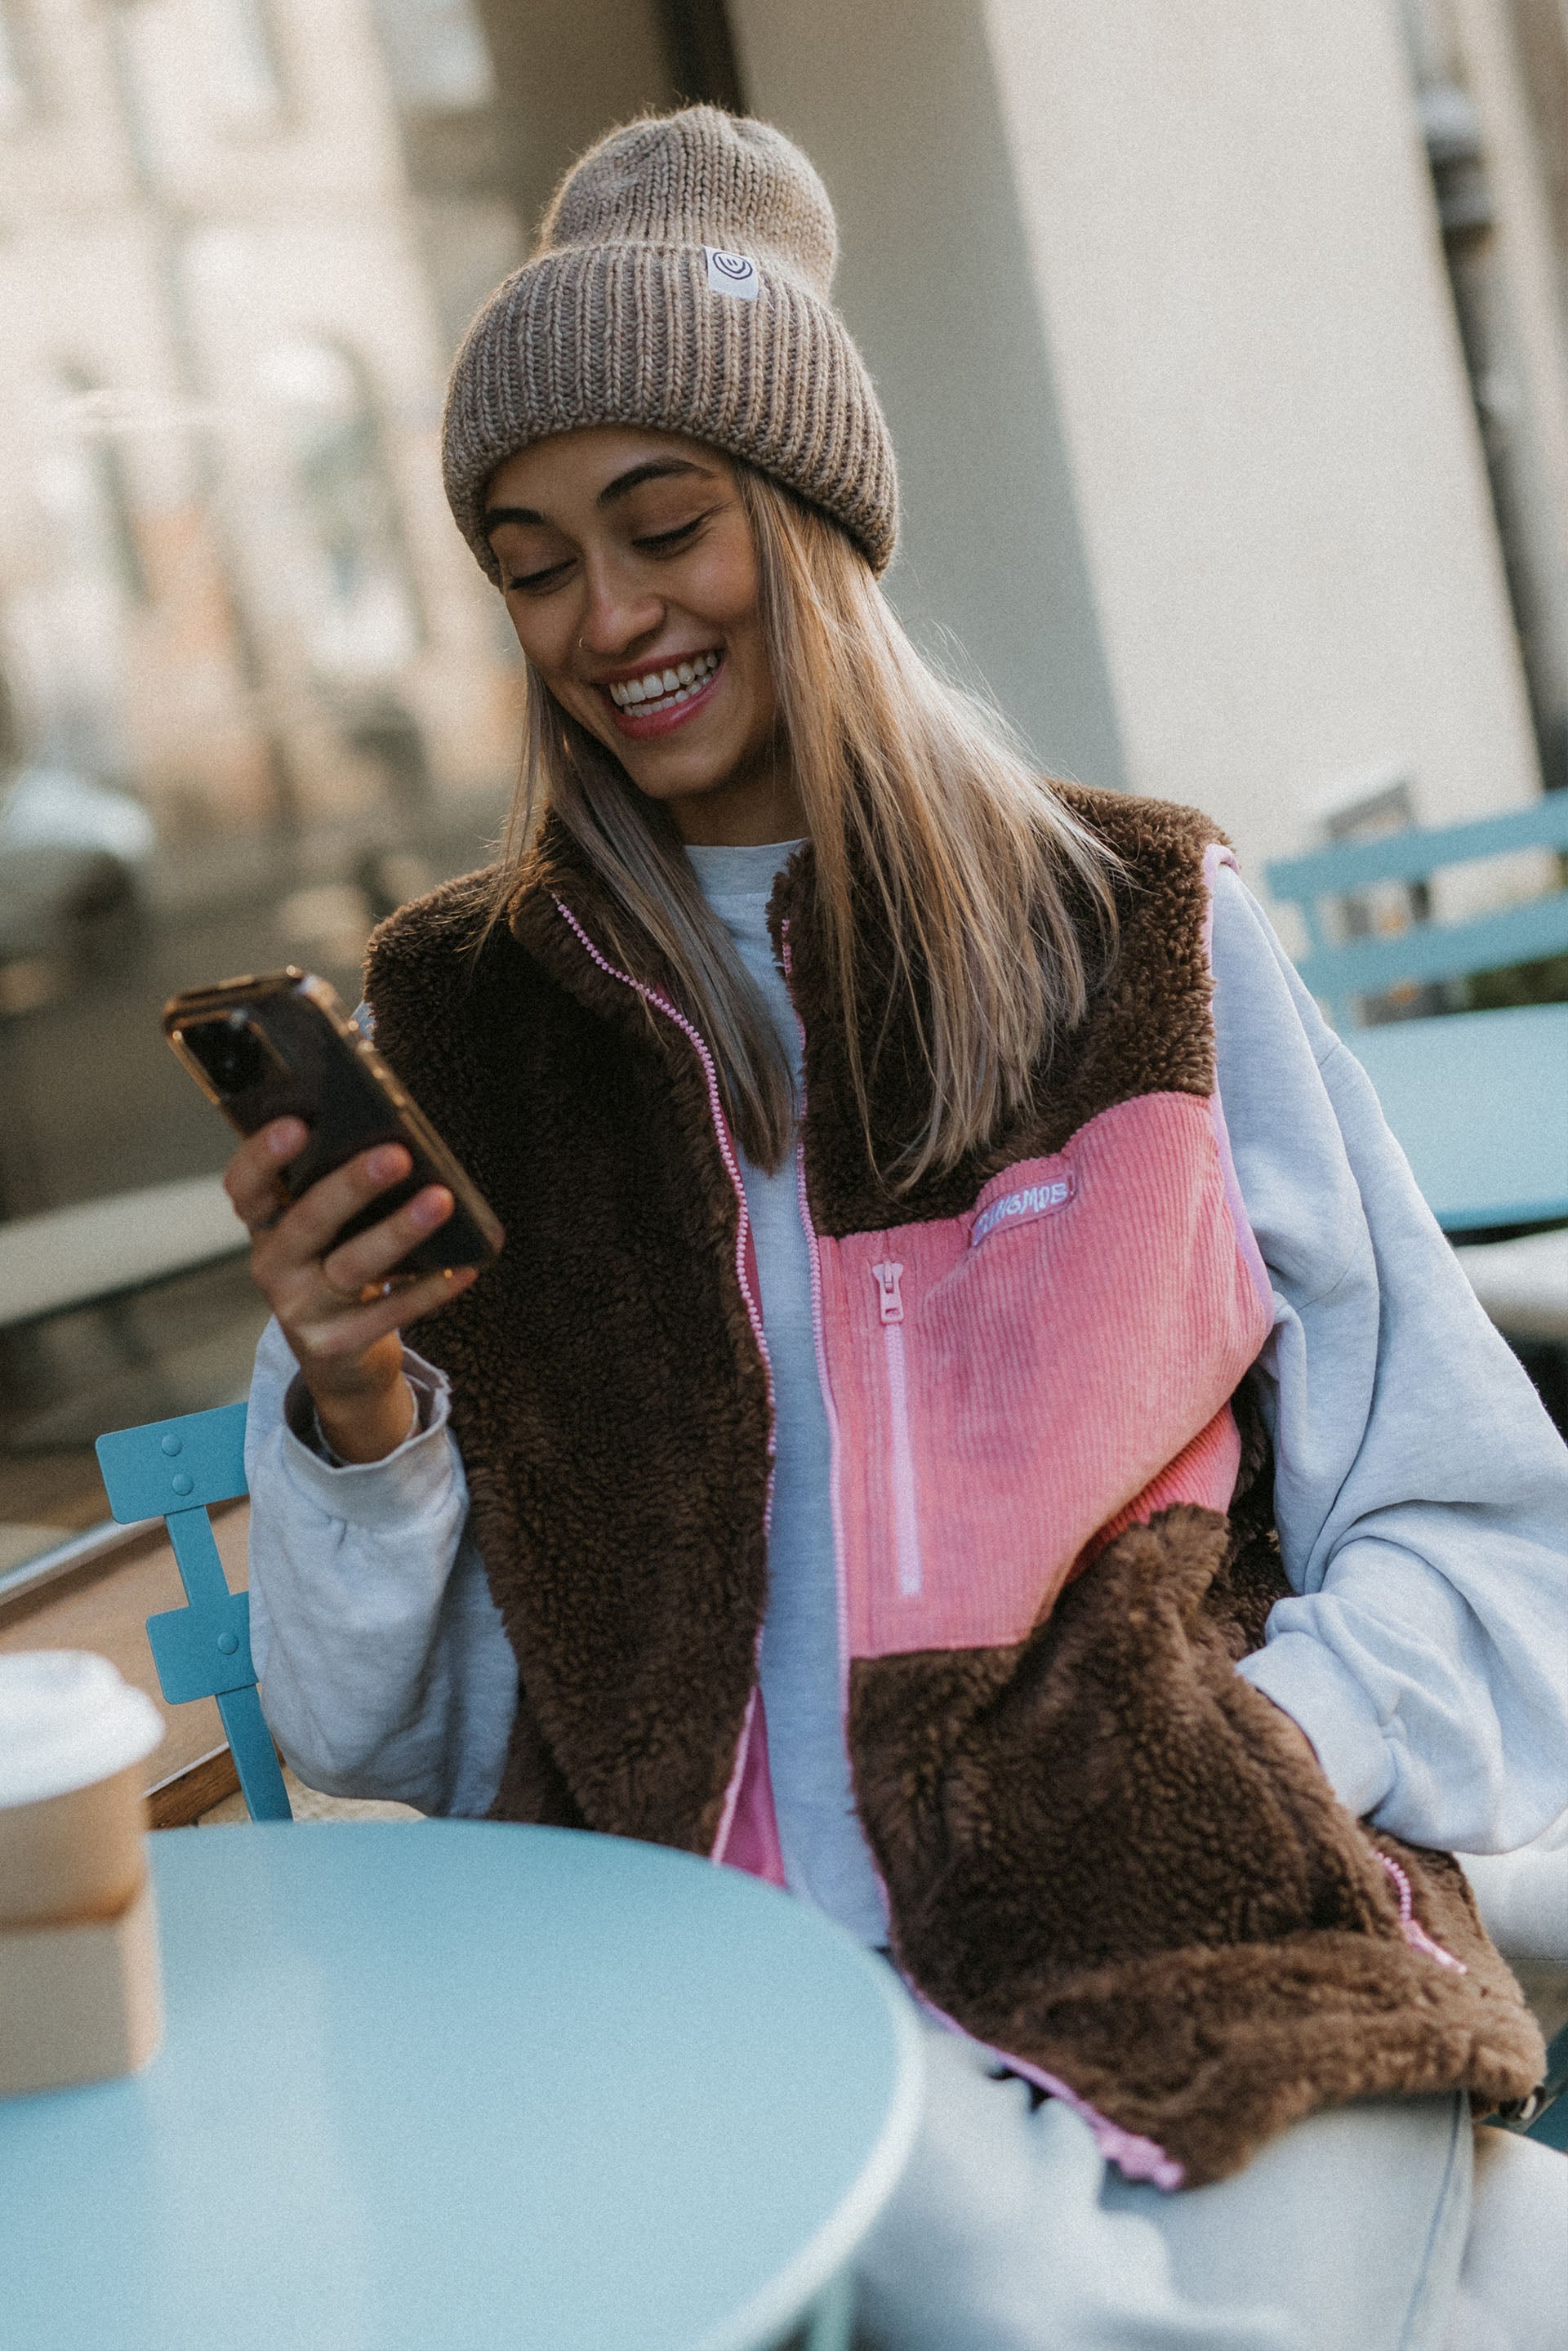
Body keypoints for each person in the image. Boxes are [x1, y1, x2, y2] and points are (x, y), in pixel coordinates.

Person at [225, 109, 1568, 2350]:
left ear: (816, 520)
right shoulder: (466, 1032)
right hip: (742, 2016)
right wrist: (359, 1402)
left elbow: (1484, 1534)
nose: (609, 616)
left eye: (666, 525)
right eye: (534, 559)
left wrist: (1255, 1752)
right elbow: (406, 1748)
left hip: (1212, 1954)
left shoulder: (1137, 934)